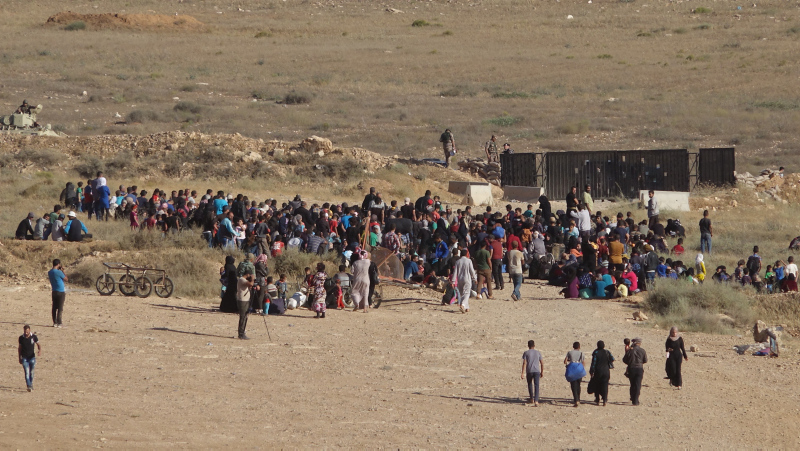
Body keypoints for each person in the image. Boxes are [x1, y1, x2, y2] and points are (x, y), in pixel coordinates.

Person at [623, 337, 648, 405]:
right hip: (639, 369)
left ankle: (632, 397)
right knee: (638, 385)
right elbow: (645, 360)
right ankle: (636, 400)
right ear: (639, 343)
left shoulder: (630, 350)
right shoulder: (642, 351)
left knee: (632, 384)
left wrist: (630, 362)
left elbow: (624, 360)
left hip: (631, 368)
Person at [589, 340, 615, 406]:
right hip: (606, 371)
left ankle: (597, 400)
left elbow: (593, 363)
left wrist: (591, 371)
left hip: (598, 371)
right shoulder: (607, 352)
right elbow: (612, 359)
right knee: (605, 385)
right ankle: (605, 400)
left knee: (597, 385)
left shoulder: (596, 352)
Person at [521, 340, 544, 406]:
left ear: (528, 346)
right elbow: (542, 363)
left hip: (529, 371)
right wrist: (542, 372)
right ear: (534, 345)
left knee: (530, 384)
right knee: (537, 385)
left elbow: (524, 363)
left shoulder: (526, 353)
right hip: (537, 371)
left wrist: (522, 373)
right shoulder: (538, 352)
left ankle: (531, 398)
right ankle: (536, 400)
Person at [18, 325, 41, 392]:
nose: (26, 333)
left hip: (32, 357)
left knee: (32, 372)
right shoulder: (21, 338)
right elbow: (19, 349)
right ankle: (29, 385)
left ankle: (31, 383)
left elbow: (39, 345)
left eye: (27, 331)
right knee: (27, 372)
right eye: (25, 331)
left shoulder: (34, 337)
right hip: (24, 358)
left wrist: (39, 351)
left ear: (29, 330)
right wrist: (19, 357)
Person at [48, 259, 68, 328]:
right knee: (60, 308)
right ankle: (59, 323)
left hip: (54, 291)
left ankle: (55, 322)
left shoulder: (50, 272)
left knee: (54, 307)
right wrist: (63, 271)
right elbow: (66, 279)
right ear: (58, 264)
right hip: (60, 291)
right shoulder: (59, 272)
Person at [564, 342, 584, 407]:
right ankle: (579, 398)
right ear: (579, 347)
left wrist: (568, 364)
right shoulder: (581, 353)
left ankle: (576, 400)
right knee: (578, 384)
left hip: (572, 369)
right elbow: (583, 362)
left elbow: (565, 361)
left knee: (573, 385)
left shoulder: (569, 352)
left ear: (573, 346)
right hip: (579, 369)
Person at [236, 273, 255, 339]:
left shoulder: (244, 281)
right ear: (247, 274)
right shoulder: (242, 279)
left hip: (246, 300)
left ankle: (242, 331)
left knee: (245, 316)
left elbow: (250, 286)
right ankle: (241, 333)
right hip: (242, 300)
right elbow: (251, 284)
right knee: (243, 316)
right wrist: (252, 279)